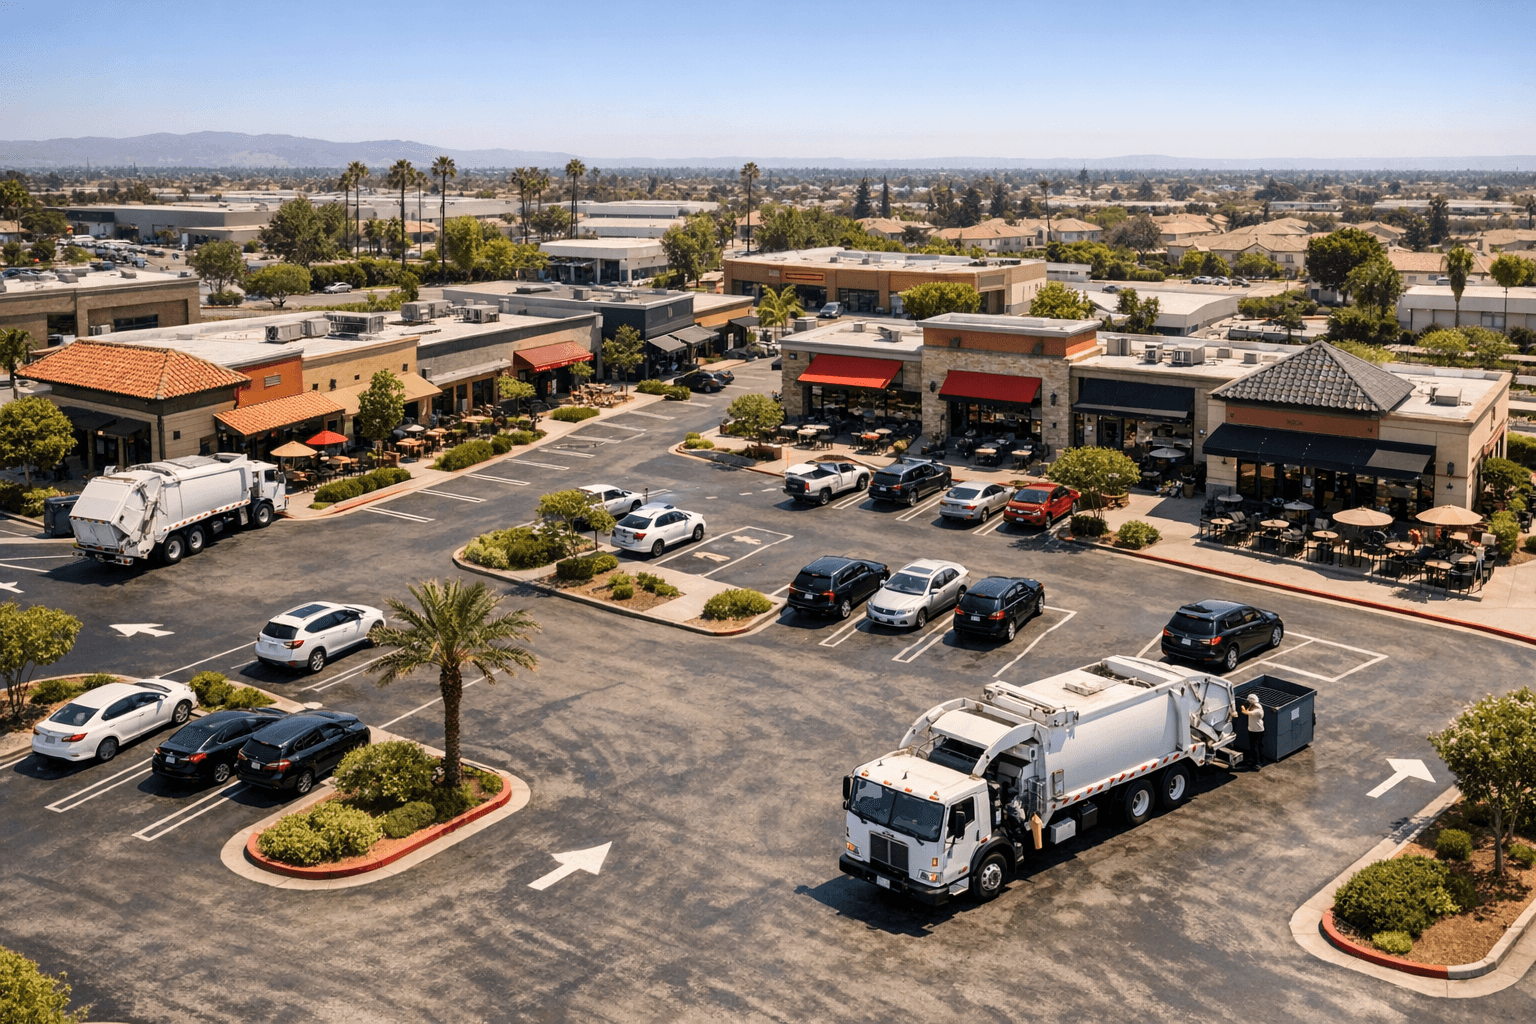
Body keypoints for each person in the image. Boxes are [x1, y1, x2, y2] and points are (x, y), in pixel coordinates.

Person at [1240, 693, 1265, 769]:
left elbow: (1244, 712)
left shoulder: (1258, 711)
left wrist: (1242, 706)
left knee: (1255, 747)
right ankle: (1255, 760)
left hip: (1256, 731)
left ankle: (1257, 763)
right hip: (1254, 730)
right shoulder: (1256, 706)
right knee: (1256, 747)